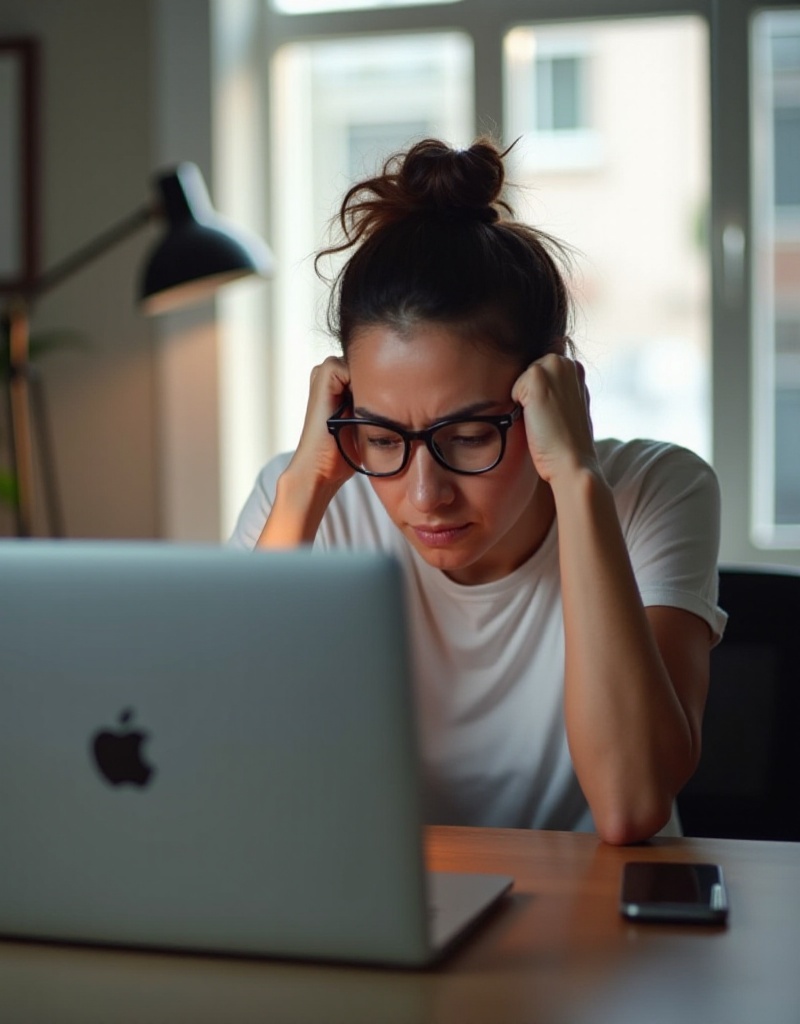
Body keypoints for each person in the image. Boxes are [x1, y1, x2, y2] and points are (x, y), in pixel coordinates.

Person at [229, 137, 726, 845]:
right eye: (381, 437)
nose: (424, 494)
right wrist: (305, 484)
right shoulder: (310, 496)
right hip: (394, 905)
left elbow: (630, 803)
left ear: (547, 395)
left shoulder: (657, 490)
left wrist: (578, 479)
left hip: (599, 922)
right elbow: (218, 755)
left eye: (466, 437)